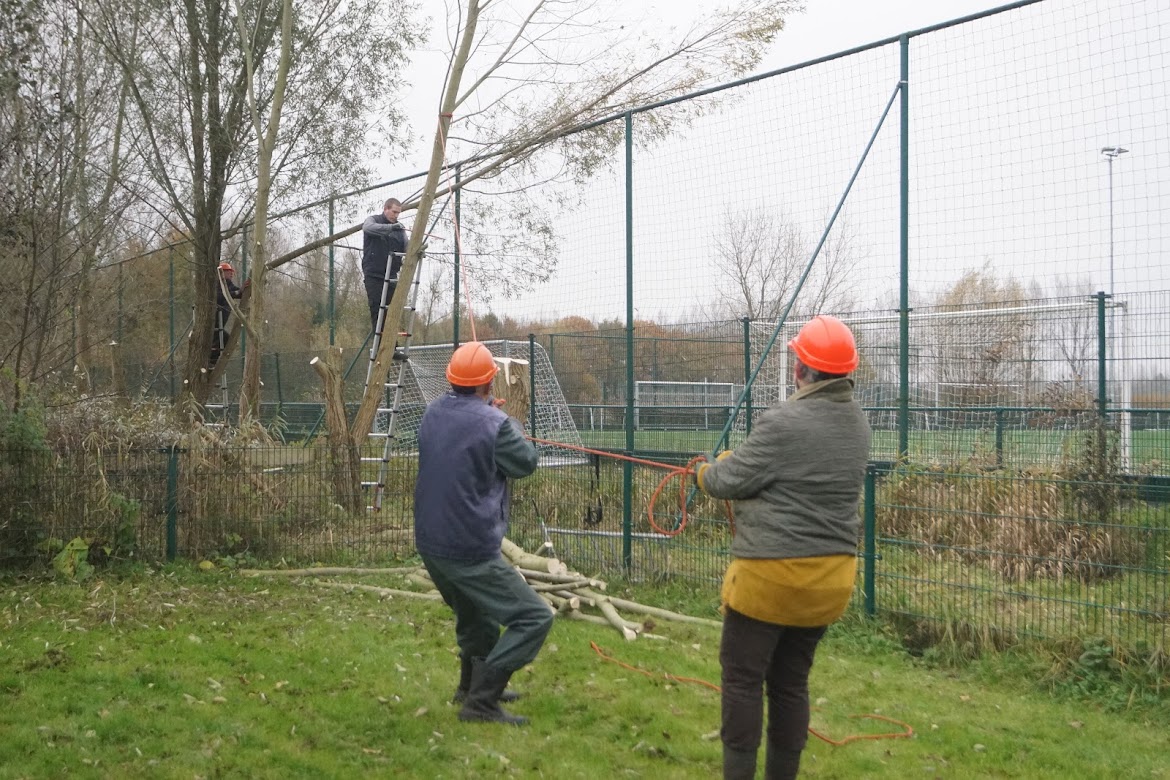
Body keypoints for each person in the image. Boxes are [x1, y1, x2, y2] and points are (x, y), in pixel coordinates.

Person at [694, 315, 871, 780]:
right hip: (830, 583)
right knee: (791, 685)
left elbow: (725, 481)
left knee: (743, 680)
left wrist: (706, 470)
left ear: (800, 370)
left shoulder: (783, 420)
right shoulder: (859, 426)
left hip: (770, 581)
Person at [413, 341, 553, 726]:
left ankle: (469, 688)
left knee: (476, 617)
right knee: (533, 617)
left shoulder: (431, 412)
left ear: (451, 380)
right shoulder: (497, 424)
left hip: (429, 541)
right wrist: (511, 424)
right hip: (468, 546)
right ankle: (482, 703)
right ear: (489, 383)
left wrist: (489, 417)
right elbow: (525, 462)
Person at [362, 197, 407, 333]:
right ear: (385, 209)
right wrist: (390, 228)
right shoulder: (373, 220)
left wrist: (418, 248)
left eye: (398, 213)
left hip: (391, 276)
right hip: (374, 275)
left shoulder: (400, 230)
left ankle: (392, 347)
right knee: (377, 310)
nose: (396, 216)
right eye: (394, 212)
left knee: (391, 312)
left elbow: (407, 246)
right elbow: (367, 228)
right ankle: (382, 349)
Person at [210, 262, 244, 366]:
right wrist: (236, 293)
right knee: (221, 340)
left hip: (221, 321)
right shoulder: (216, 284)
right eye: (229, 272)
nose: (231, 274)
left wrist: (244, 288)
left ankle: (213, 362)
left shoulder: (228, 284)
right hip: (215, 320)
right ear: (222, 273)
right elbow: (222, 296)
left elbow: (238, 292)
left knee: (224, 340)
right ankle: (211, 362)